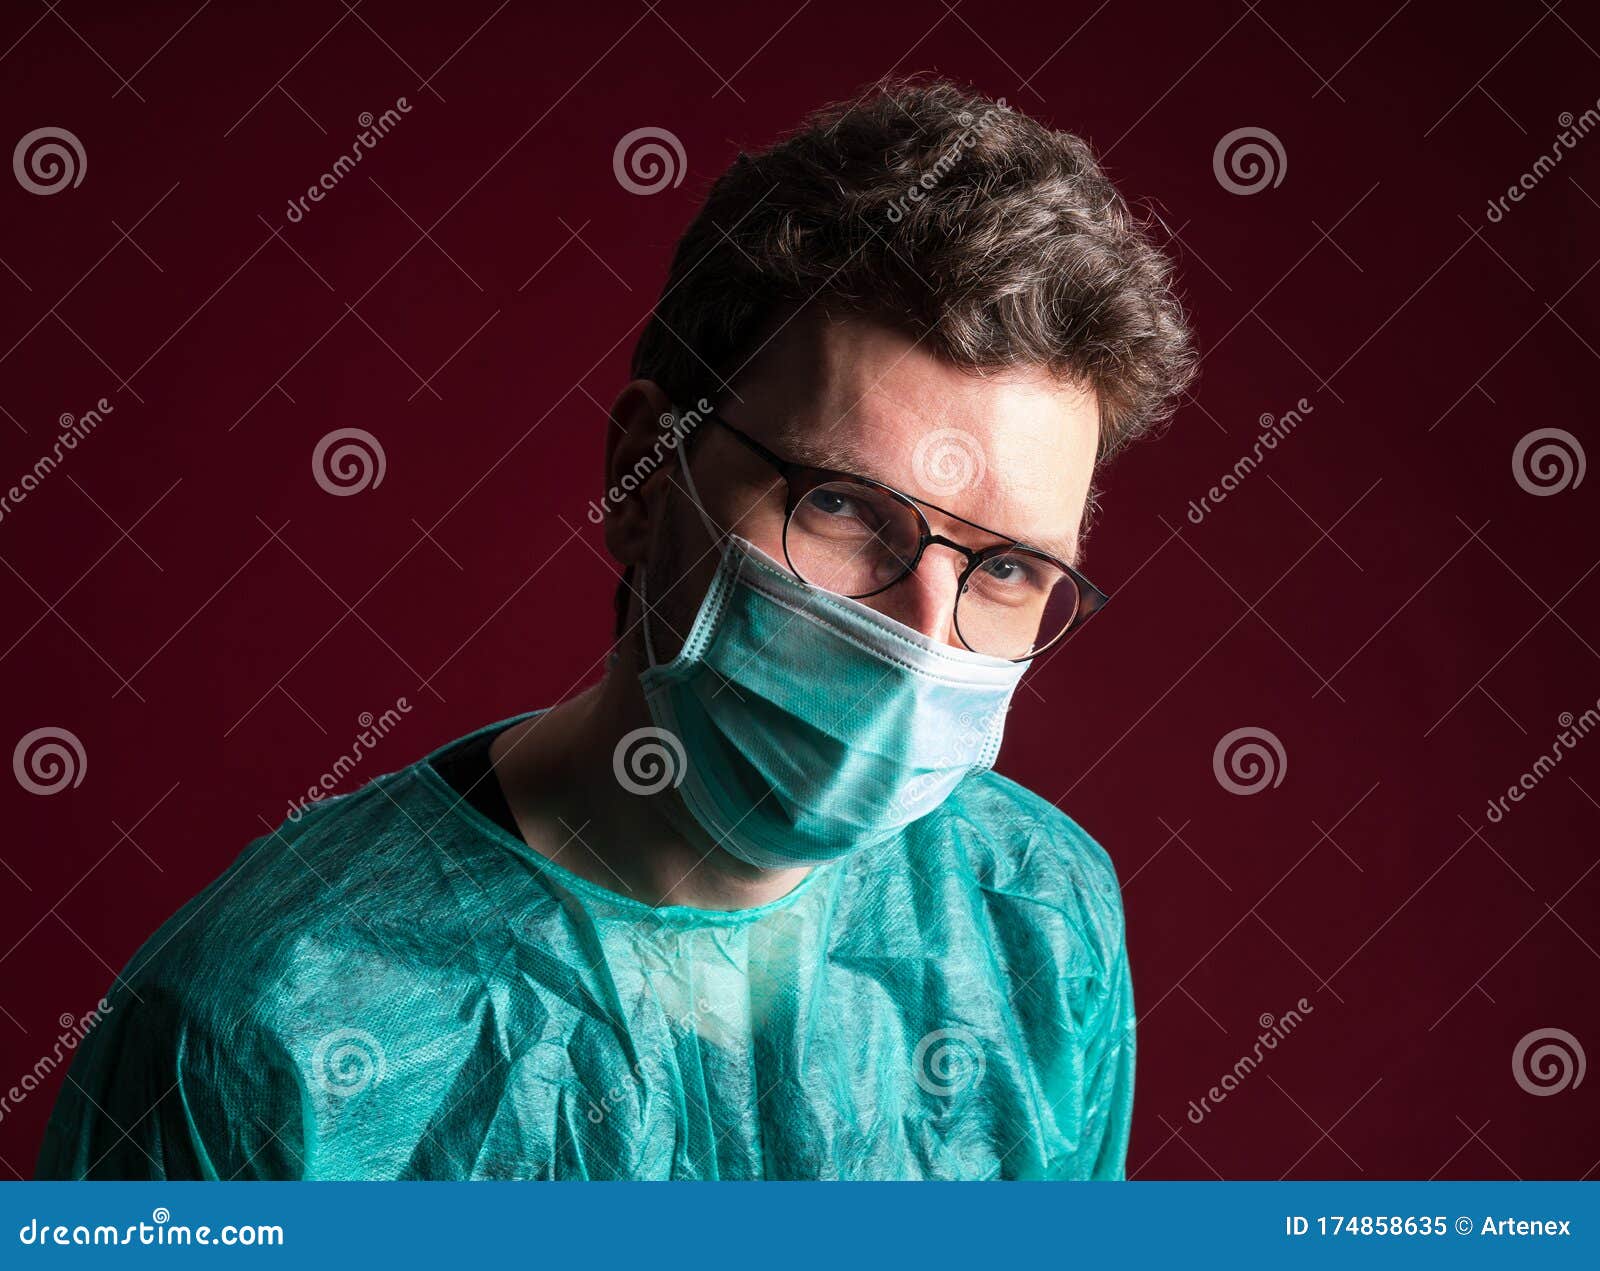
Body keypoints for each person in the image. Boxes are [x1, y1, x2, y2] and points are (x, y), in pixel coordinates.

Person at [38, 78, 1193, 1180]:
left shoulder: (1032, 916)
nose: (916, 637)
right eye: (841, 507)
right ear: (642, 476)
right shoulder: (266, 1031)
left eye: (1007, 567)